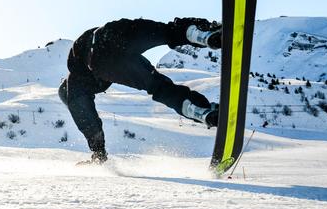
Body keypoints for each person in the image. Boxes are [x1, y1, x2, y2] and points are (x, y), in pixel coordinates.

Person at [58, 17, 222, 164]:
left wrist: (98, 153)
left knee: (159, 87)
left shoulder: (74, 84)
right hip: (113, 31)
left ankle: (199, 111)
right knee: (166, 32)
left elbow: (88, 122)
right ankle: (201, 32)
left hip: (104, 59)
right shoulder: (78, 52)